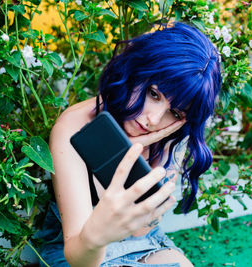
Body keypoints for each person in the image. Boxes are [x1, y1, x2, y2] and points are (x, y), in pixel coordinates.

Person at [38, 22, 222, 266]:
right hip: (79, 249)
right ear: (134, 72)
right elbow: (79, 254)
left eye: (174, 112)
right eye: (153, 94)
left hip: (144, 242)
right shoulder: (74, 126)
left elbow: (140, 230)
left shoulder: (173, 132)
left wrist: (142, 151)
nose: (154, 120)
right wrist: (121, 155)